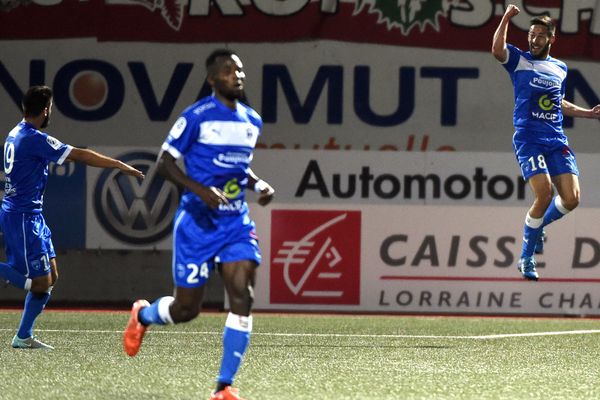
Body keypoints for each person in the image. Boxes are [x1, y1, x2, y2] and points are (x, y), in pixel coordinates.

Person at [123, 49, 274, 400]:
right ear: (212, 80)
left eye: (239, 69)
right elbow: (165, 163)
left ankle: (224, 386)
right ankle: (143, 315)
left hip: (235, 221)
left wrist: (257, 184)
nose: (237, 75)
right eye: (227, 70)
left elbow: (240, 167)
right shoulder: (196, 116)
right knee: (186, 309)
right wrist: (200, 191)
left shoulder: (252, 120)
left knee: (243, 296)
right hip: (197, 222)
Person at [0, 85, 144, 349]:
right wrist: (118, 164)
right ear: (45, 110)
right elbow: (79, 154)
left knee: (51, 276)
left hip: (30, 214)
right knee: (39, 282)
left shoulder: (15, 134)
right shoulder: (33, 138)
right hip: (22, 217)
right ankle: (22, 335)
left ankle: (23, 336)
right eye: (51, 109)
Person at [492, 5, 600, 280]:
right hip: (529, 137)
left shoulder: (560, 68)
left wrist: (586, 114)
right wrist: (506, 18)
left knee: (572, 199)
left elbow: (557, 102)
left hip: (555, 137)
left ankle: (538, 227)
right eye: (531, 34)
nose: (534, 39)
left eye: (540, 35)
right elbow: (497, 49)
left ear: (551, 39)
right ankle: (526, 258)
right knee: (544, 194)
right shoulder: (519, 60)